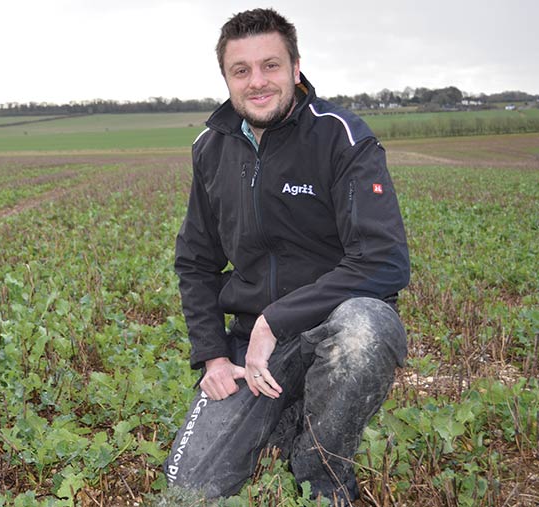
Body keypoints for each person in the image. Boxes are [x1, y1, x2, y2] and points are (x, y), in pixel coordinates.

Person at [164, 9, 409, 505]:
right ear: (227, 78)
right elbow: (195, 260)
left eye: (271, 66)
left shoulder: (341, 136)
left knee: (367, 328)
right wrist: (212, 355)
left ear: (296, 68)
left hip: (327, 326)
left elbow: (384, 260)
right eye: (241, 70)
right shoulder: (211, 148)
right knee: (187, 489)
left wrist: (275, 320)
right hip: (249, 350)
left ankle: (321, 473)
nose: (258, 82)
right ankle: (288, 414)